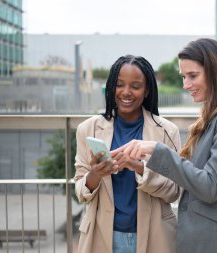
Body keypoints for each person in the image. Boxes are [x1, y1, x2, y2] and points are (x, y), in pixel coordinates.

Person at [113, 39, 217, 253]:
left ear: (215, 71)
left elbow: (210, 186)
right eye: (184, 77)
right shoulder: (215, 116)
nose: (186, 85)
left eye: (193, 76)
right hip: (209, 238)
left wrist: (158, 151)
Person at [74, 55, 181, 253]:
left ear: (147, 90)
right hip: (103, 236)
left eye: (135, 86)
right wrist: (96, 174)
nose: (126, 92)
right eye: (120, 84)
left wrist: (139, 167)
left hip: (155, 236)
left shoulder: (167, 131)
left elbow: (174, 190)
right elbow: (81, 192)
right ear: (111, 87)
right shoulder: (88, 129)